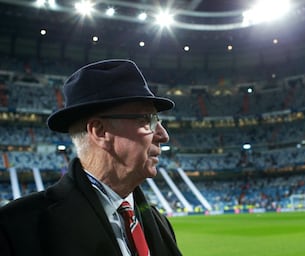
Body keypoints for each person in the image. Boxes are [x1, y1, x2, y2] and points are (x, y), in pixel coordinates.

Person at [0, 59, 183, 256]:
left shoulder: (160, 224)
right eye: (147, 120)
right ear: (100, 131)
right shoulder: (16, 229)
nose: (164, 135)